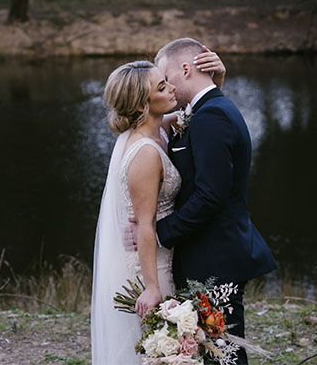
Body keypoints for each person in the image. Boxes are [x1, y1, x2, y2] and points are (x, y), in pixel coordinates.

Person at [129, 37, 278, 365]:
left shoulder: (212, 117)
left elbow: (211, 196)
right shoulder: (205, 111)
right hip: (207, 257)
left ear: (185, 69)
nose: (166, 87)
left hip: (217, 259)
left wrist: (157, 231)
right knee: (211, 353)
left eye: (167, 78)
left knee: (225, 355)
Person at [90, 49, 226, 364]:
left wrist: (216, 79)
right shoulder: (145, 153)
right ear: (142, 104)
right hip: (149, 265)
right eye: (162, 87)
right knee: (157, 348)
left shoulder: (159, 128)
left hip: (161, 255)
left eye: (167, 82)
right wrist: (151, 287)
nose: (172, 89)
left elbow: (200, 109)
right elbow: (145, 224)